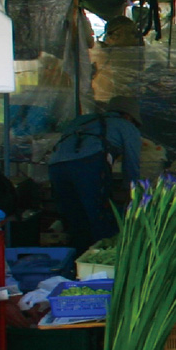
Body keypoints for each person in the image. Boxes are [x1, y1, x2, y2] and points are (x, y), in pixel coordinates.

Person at [48, 97, 143, 251]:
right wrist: (132, 191)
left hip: (56, 166)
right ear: (128, 116)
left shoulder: (81, 120)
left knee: (73, 218)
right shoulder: (126, 126)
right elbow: (132, 163)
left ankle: (77, 258)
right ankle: (101, 257)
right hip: (88, 166)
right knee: (99, 217)